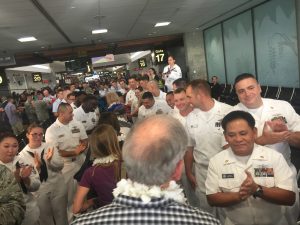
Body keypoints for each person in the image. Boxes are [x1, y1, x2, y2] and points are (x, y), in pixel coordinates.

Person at [71, 115, 220, 225]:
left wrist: (92, 202)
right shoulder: (207, 222)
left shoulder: (82, 223)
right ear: (177, 170)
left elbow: (77, 208)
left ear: (128, 163)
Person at [206, 110, 296, 225]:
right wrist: (239, 195)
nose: (238, 139)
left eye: (243, 133)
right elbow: (212, 199)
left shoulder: (274, 157)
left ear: (254, 132)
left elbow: (289, 198)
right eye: (231, 135)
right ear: (225, 137)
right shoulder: (216, 161)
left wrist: (257, 190)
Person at [232, 73, 300, 224]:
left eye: (251, 88)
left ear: (259, 88)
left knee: (290, 217)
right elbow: (228, 149)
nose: (247, 93)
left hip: (285, 173)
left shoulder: (282, 106)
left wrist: (286, 134)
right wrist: (263, 140)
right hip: (253, 177)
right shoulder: (232, 114)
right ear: (236, 94)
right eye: (241, 91)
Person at [185, 79, 232, 215]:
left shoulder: (227, 111)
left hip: (226, 169)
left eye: (189, 96)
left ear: (199, 95)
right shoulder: (191, 118)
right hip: (202, 173)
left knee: (229, 211)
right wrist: (189, 172)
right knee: (206, 212)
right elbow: (189, 148)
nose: (188, 101)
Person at [45, 103, 88, 221]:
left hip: (81, 161)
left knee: (83, 191)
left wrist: (83, 147)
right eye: (70, 112)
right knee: (68, 195)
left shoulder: (77, 124)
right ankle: (71, 220)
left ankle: (84, 216)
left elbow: (84, 139)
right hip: (66, 165)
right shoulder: (51, 130)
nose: (73, 114)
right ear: (61, 114)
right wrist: (74, 152)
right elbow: (55, 152)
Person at [22, 124, 68, 225]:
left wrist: (50, 161)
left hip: (57, 185)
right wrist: (36, 168)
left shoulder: (49, 146)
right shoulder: (22, 155)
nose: (38, 137)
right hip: (39, 191)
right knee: (45, 219)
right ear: (27, 135)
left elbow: (60, 166)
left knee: (62, 216)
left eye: (40, 134)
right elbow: (29, 180)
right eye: (34, 134)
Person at [73, 124, 122, 214]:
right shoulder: (128, 164)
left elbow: (76, 209)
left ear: (94, 146)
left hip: (105, 215)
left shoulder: (90, 172)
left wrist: (93, 201)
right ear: (115, 141)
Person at [0, 132, 40, 225]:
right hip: (9, 218)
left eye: (15, 146)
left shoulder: (22, 160)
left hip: (30, 212)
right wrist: (14, 181)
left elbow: (36, 185)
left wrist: (26, 179)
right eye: (6, 146)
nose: (11, 150)